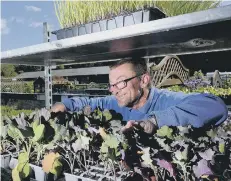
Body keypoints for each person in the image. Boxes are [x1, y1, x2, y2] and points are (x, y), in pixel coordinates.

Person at [51, 58, 228, 134]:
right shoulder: (115, 102)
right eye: (111, 85)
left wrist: (154, 121)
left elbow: (215, 106)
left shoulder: (165, 100)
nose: (114, 90)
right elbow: (87, 102)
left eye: (120, 82)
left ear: (143, 80)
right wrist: (65, 106)